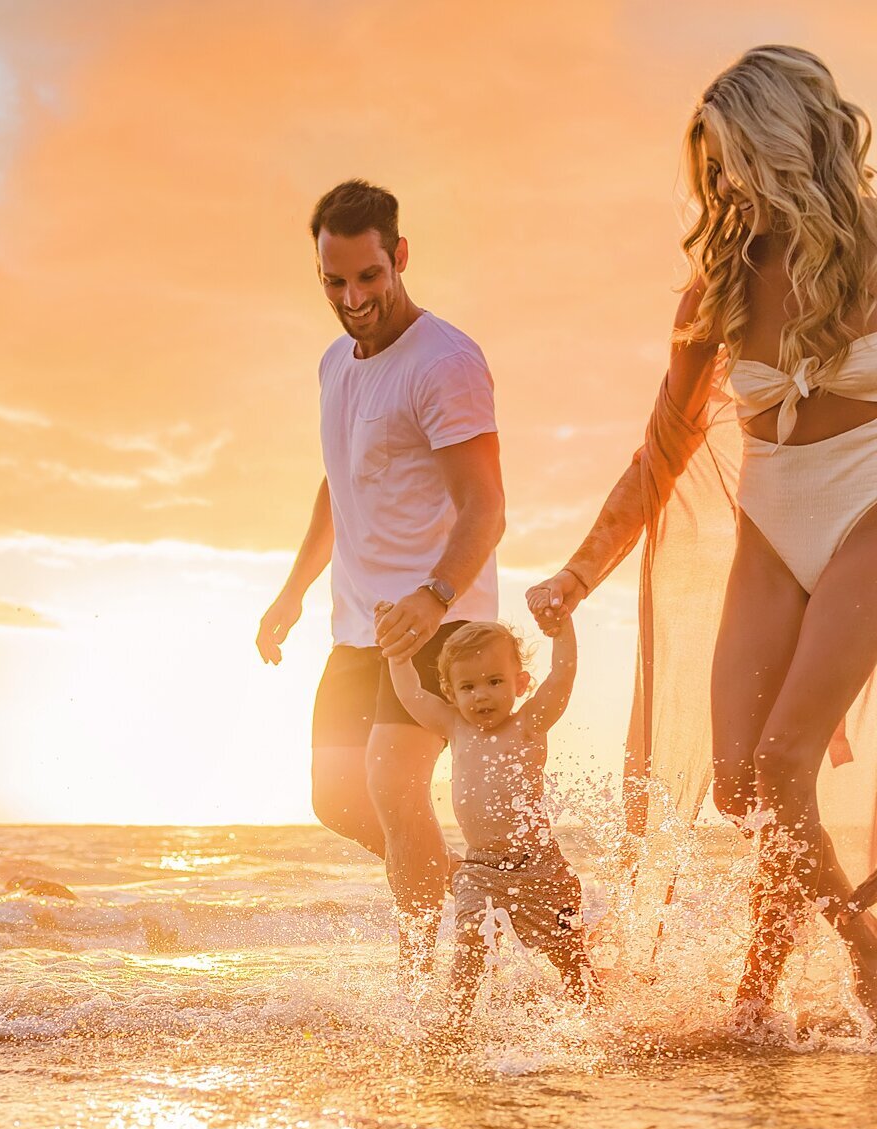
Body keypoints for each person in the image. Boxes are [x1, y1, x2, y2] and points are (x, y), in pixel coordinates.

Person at [526, 45, 877, 1030]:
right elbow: (660, 457)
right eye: (710, 164)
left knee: (785, 763)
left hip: (871, 511)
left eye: (734, 157)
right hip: (776, 522)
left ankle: (853, 958)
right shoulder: (717, 292)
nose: (722, 181)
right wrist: (577, 575)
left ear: (785, 146)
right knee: (741, 784)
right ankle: (765, 1001)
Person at [256, 179, 505, 981]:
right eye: (335, 280)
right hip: (356, 627)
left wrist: (435, 598)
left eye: (368, 276)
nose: (353, 297)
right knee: (337, 800)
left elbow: (485, 508)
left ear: (398, 257)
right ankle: (486, 900)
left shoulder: (446, 363)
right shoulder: (335, 364)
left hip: (438, 624)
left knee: (397, 798)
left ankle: (425, 991)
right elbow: (340, 480)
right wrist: (292, 590)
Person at [380, 612, 597, 1031]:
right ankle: (455, 1026)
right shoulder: (455, 725)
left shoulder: (530, 723)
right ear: (451, 692)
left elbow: (563, 676)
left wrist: (563, 628)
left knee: (570, 956)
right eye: (468, 686)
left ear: (520, 683)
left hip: (541, 868)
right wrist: (396, 652)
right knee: (469, 945)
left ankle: (595, 1019)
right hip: (479, 869)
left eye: (495, 681)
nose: (482, 695)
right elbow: (409, 694)